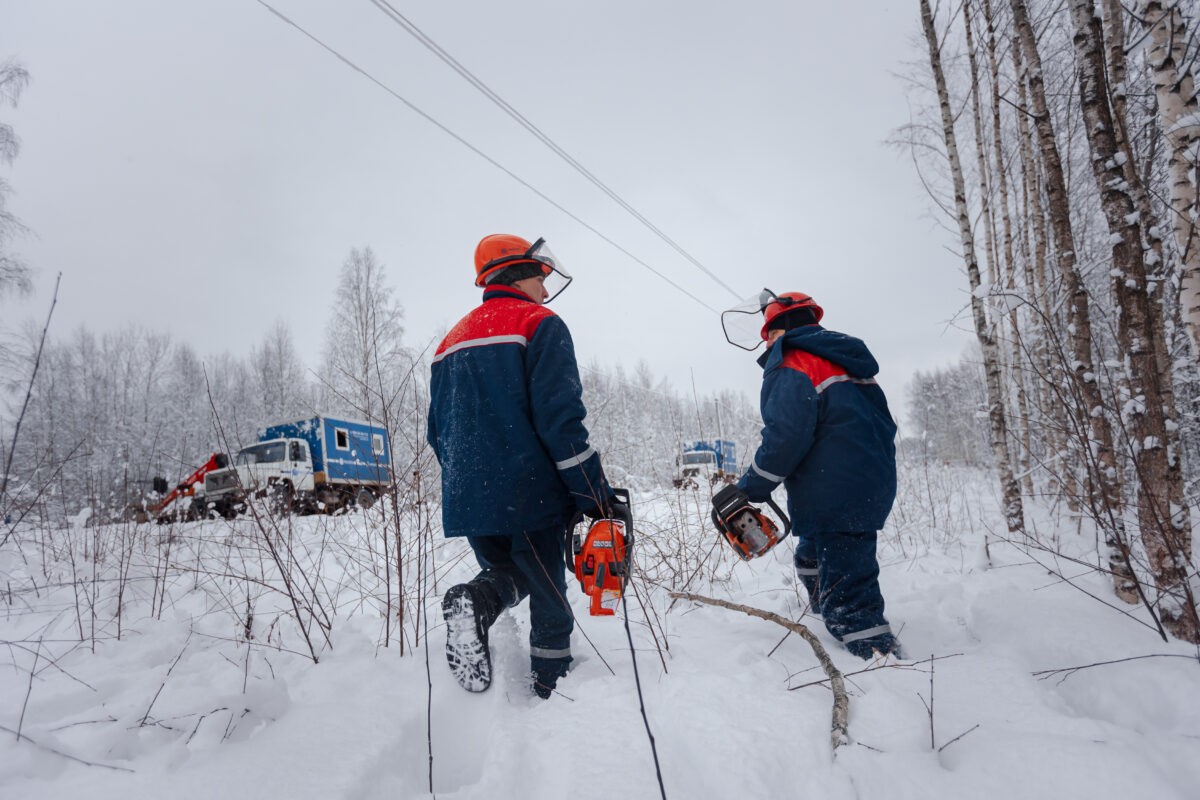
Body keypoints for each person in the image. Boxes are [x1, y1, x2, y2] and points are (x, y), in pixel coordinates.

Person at [427, 233, 615, 698]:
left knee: (512, 576)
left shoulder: (450, 341)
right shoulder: (539, 323)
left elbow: (437, 431)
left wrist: (467, 480)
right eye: (541, 278)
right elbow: (561, 423)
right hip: (528, 491)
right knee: (550, 596)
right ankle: (553, 688)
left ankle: (476, 600)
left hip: (467, 495)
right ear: (520, 274)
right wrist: (593, 494)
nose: (546, 290)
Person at [731, 290, 902, 659]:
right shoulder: (845, 362)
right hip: (865, 478)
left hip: (835, 486)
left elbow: (786, 435)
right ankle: (823, 613)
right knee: (811, 554)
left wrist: (752, 486)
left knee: (849, 582)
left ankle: (874, 653)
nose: (769, 341)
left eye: (769, 333)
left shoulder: (792, 362)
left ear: (779, 330)